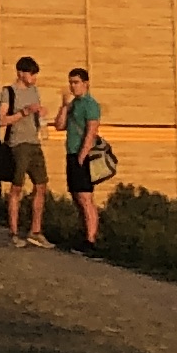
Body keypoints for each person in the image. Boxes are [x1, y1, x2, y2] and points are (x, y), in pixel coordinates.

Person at [1, 53, 50, 246]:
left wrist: (42, 115)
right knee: (17, 188)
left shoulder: (34, 91)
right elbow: (2, 119)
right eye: (31, 74)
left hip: (34, 142)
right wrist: (24, 112)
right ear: (21, 73)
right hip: (18, 143)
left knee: (41, 185)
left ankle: (35, 230)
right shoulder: (9, 92)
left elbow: (37, 115)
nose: (34, 78)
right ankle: (13, 232)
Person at [62, 65, 112, 244]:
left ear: (85, 83)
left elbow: (91, 130)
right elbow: (60, 125)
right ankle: (84, 232)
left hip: (82, 155)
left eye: (76, 82)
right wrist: (64, 106)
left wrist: (82, 156)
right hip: (71, 152)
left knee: (85, 197)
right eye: (71, 83)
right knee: (77, 196)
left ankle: (91, 239)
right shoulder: (74, 104)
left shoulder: (90, 105)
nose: (73, 86)